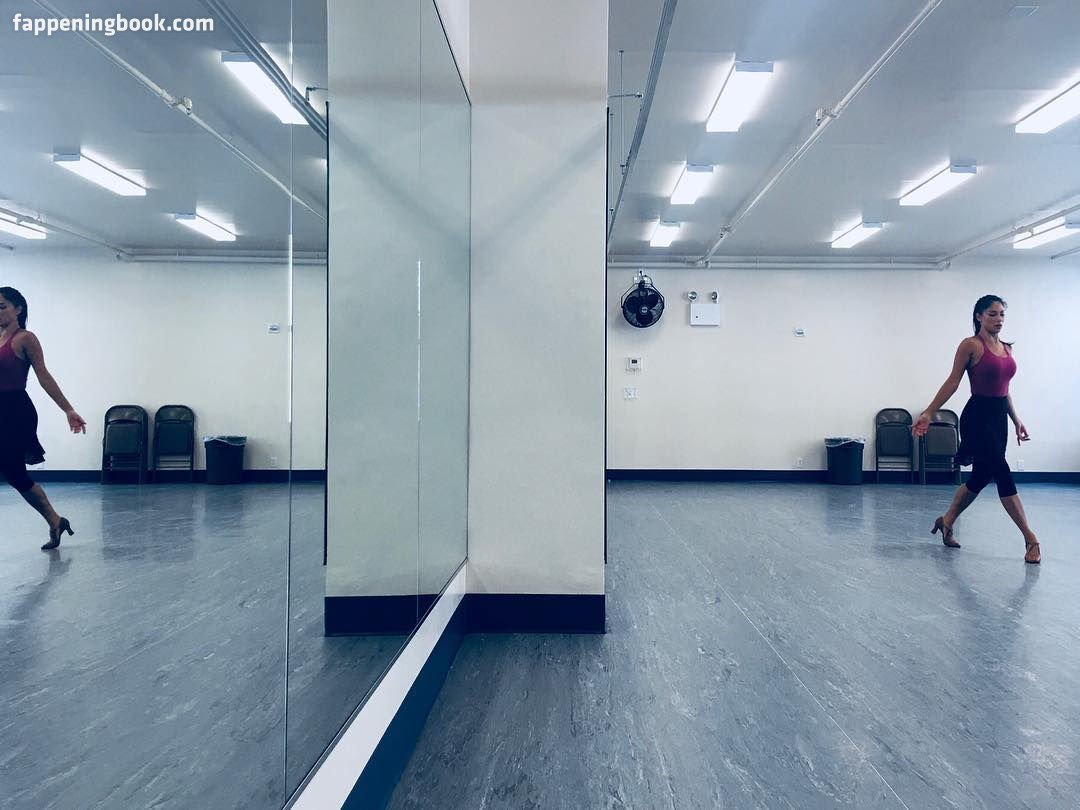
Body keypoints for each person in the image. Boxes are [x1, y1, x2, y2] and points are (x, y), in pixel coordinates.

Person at [912, 294, 1040, 564]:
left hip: (998, 418)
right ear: (979, 316)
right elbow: (953, 382)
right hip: (978, 416)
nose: (999, 319)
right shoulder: (970, 345)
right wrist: (929, 411)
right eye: (992, 314)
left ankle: (947, 520)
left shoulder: (1007, 348)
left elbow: (1004, 390)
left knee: (981, 476)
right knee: (1001, 470)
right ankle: (1030, 538)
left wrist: (1016, 420)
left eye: (1002, 314)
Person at [0, 287, 86, 550]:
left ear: (18, 309)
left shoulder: (25, 338)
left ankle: (54, 520)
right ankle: (56, 521)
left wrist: (68, 410)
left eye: (2, 306)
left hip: (15, 411)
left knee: (15, 473)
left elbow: (43, 376)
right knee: (14, 474)